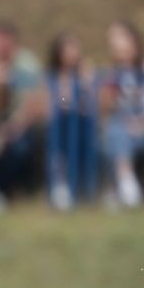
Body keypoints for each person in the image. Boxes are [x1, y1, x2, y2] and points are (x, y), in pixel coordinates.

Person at [97, 21, 144, 208]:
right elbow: (104, 109)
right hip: (123, 131)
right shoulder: (114, 73)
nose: (114, 43)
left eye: (118, 37)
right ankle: (125, 184)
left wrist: (143, 125)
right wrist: (108, 91)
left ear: (133, 40)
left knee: (116, 132)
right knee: (115, 130)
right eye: (111, 39)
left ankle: (119, 189)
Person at [0, 20, 46, 207]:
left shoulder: (27, 65)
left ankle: (8, 192)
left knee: (18, 147)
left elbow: (33, 101)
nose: (1, 46)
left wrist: (13, 126)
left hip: (18, 123)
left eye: (6, 42)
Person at [43, 32, 98, 209]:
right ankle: (60, 186)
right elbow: (56, 103)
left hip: (83, 126)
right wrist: (65, 100)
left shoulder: (84, 74)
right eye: (68, 48)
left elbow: (91, 102)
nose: (72, 53)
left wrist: (84, 83)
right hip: (61, 126)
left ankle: (84, 189)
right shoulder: (53, 77)